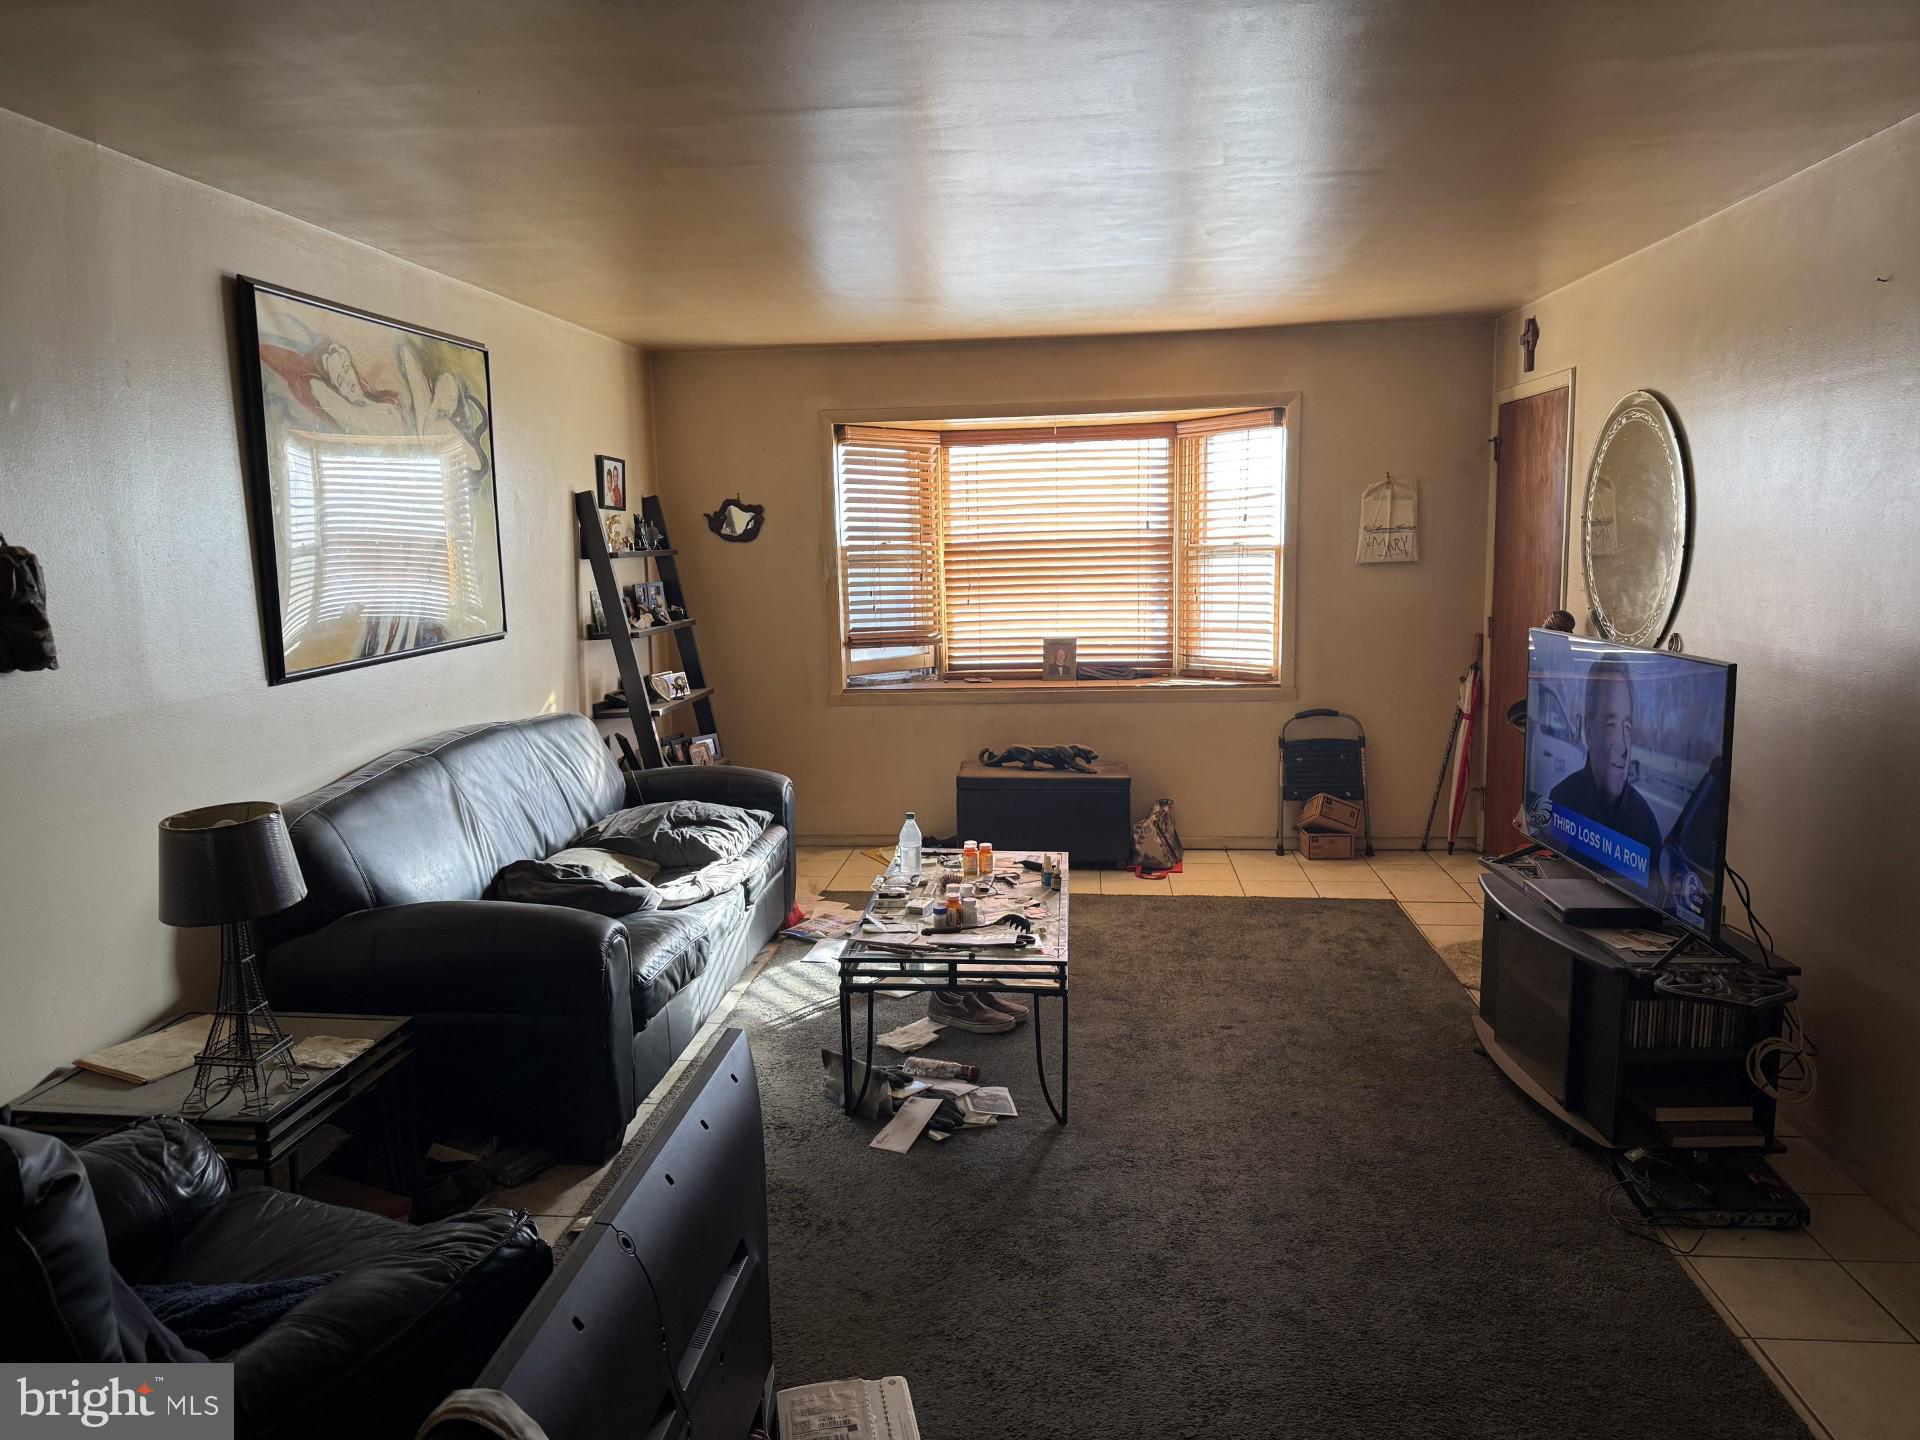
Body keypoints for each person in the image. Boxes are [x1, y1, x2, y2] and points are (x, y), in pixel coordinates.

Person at [1549, 657, 1664, 869]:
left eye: (1627, 727)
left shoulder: (1646, 825)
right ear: (1589, 730)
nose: (1622, 746)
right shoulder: (1561, 800)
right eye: (1611, 724)